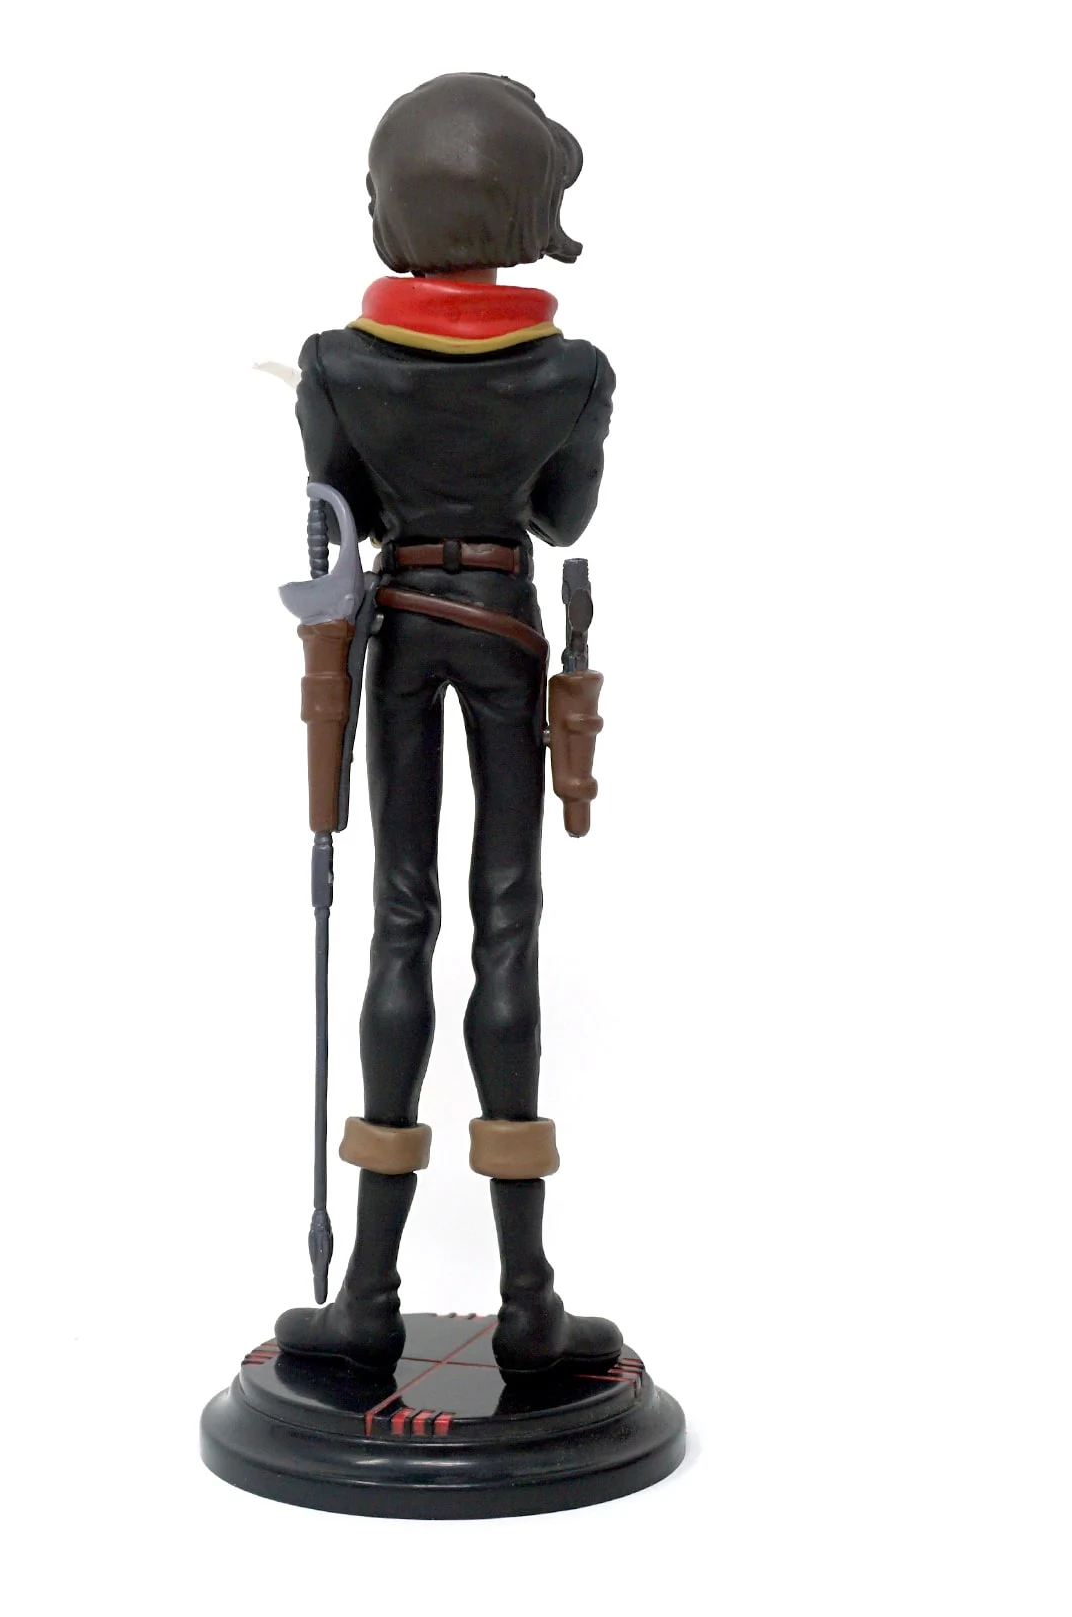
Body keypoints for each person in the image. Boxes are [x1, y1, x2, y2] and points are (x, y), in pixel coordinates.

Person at [273, 74, 621, 1376]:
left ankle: (368, 1291)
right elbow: (563, 520)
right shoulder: (572, 372)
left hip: (403, 633)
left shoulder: (336, 365)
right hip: (507, 629)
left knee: (398, 923)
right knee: (508, 923)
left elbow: (341, 510)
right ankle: (529, 1298)